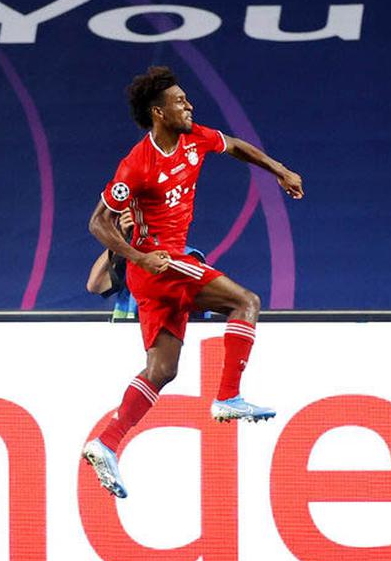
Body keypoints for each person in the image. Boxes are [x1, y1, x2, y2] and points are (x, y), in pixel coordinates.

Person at [82, 66, 304, 499]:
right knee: (246, 302)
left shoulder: (195, 138)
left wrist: (280, 170)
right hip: (161, 266)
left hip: (160, 271)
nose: (189, 105)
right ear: (158, 112)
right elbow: (98, 222)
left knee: (162, 371)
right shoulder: (137, 165)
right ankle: (227, 397)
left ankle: (105, 442)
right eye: (180, 101)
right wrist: (139, 256)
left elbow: (236, 145)